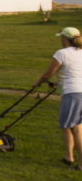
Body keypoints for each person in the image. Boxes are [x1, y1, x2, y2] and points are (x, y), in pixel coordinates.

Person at [35, 26, 82, 170]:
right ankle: (68, 156)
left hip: (72, 94)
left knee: (75, 128)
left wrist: (38, 82)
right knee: (69, 125)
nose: (61, 40)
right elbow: (74, 72)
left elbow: (48, 73)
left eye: (61, 38)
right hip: (78, 91)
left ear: (65, 39)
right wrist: (57, 83)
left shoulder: (61, 53)